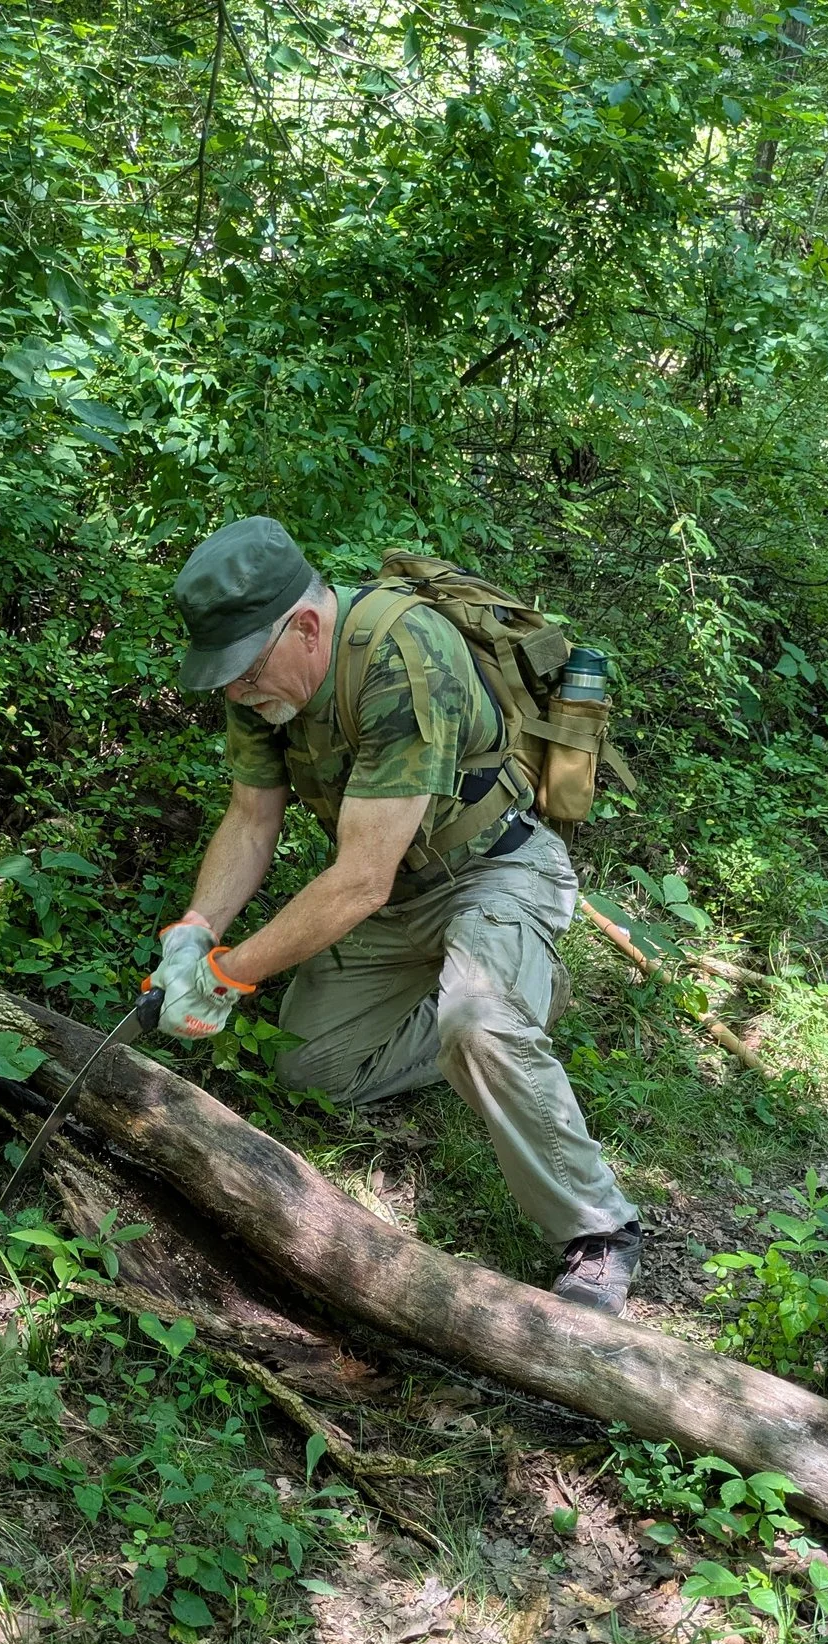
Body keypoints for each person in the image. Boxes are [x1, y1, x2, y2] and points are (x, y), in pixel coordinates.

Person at [151, 516, 644, 1312]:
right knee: (309, 1066)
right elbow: (250, 818)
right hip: (406, 893)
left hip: (496, 870)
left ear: (305, 625)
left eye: (244, 670)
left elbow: (357, 881)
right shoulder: (260, 684)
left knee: (479, 1020)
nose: (235, 690)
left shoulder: (403, 655)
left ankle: (600, 1228)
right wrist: (195, 930)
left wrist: (226, 974)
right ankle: (487, 1025)